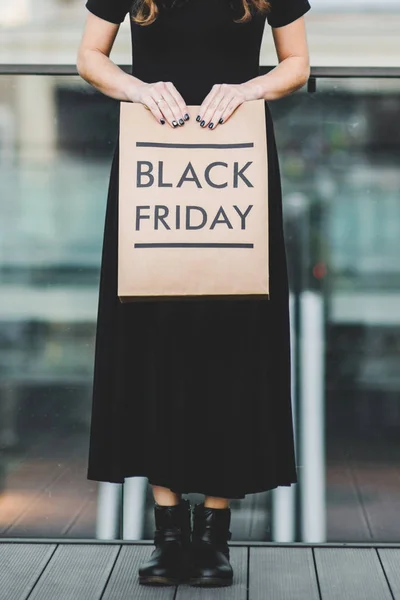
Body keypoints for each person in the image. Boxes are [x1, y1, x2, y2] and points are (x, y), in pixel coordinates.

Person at [77, 0, 311, 588]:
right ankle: (168, 536)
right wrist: (137, 89)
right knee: (155, 340)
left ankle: (215, 534)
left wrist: (248, 90)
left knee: (233, 343)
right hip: (152, 171)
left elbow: (298, 65)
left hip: (237, 171)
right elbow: (89, 57)